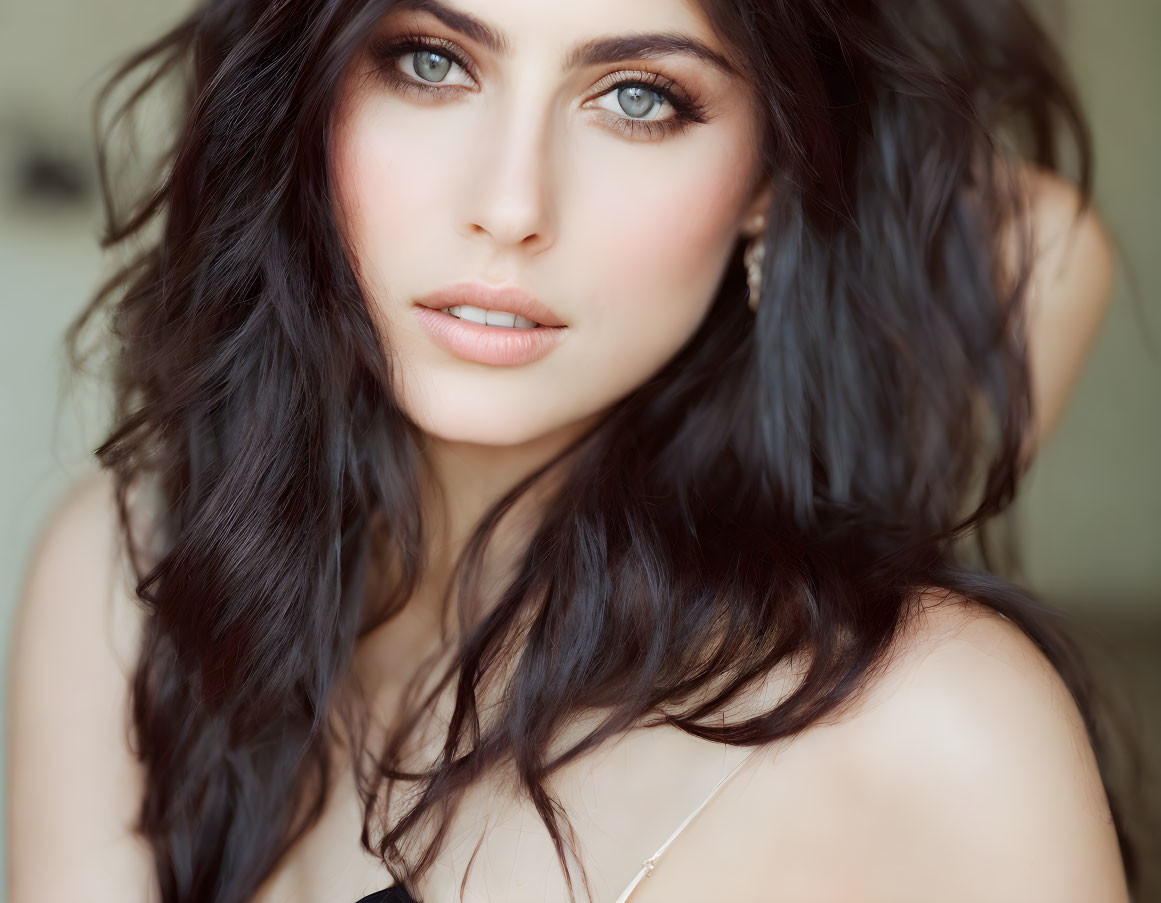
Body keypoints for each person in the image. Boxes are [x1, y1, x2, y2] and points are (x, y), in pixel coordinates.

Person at [7, 0, 1131, 901]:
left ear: (772, 179)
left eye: (639, 97)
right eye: (432, 61)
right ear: (305, 93)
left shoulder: (941, 727)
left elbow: (1033, 234)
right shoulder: (129, 581)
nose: (509, 205)